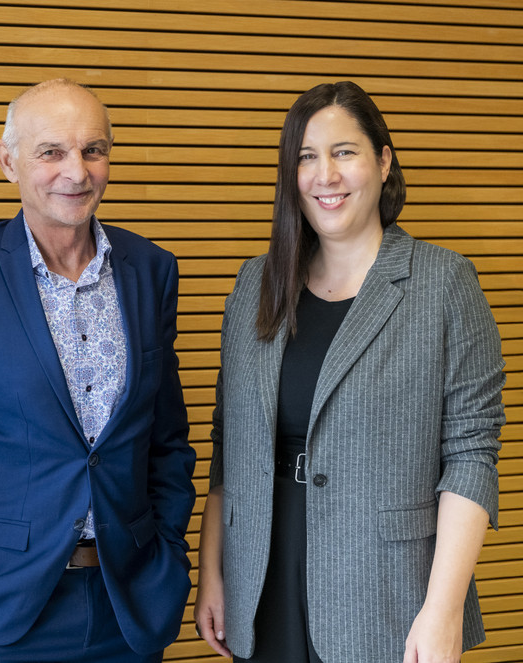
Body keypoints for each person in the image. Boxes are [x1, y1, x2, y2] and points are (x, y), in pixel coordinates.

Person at [193, 80, 505, 662]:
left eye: (345, 152)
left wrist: (443, 610)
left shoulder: (444, 284)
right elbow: (226, 443)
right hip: (261, 578)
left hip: (389, 588)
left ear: (384, 162)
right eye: (306, 157)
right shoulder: (254, 286)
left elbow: (471, 454)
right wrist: (214, 572)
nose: (325, 176)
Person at [0, 79, 196, 663]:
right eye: (51, 152)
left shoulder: (151, 270)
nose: (77, 171)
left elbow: (167, 439)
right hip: (5, 609)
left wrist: (166, 550)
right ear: (6, 159)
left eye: (94, 149)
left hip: (129, 604)